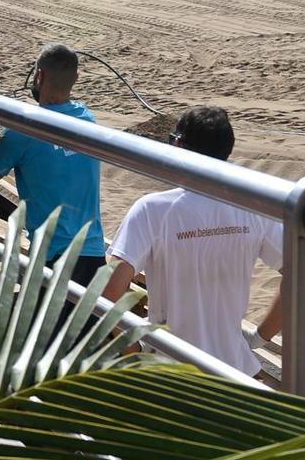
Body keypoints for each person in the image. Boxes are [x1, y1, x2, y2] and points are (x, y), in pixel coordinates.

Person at [104, 106, 282, 375]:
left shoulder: (153, 210)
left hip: (170, 370)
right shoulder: (252, 207)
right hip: (234, 369)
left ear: (178, 145)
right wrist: (259, 337)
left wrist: (133, 350)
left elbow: (107, 293)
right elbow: (301, 276)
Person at [0, 44, 106, 286]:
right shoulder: (87, 120)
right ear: (75, 79)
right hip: (94, 256)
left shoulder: (26, 130)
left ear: (39, 76)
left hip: (55, 258)